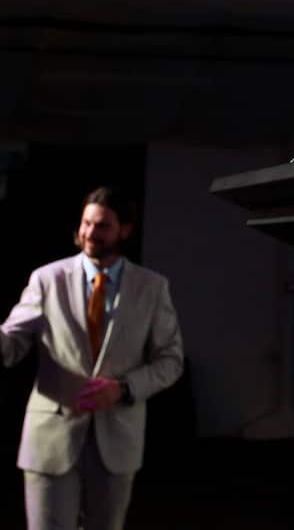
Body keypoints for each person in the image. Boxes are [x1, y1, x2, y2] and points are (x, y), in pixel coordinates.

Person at [0, 186, 184, 530]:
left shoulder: (152, 287)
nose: (89, 233)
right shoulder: (47, 279)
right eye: (86, 224)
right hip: (51, 438)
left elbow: (171, 360)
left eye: (102, 226)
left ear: (125, 230)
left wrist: (124, 388)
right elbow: (10, 348)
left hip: (117, 439)